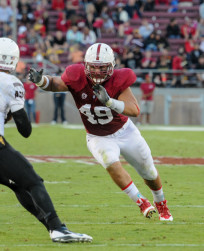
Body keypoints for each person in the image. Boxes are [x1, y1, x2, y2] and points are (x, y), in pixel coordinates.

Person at [0, 37, 93, 243]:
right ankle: (59, 228)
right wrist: (7, 113)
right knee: (34, 182)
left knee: (18, 186)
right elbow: (25, 130)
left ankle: (54, 230)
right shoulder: (11, 82)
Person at [28, 43, 173, 221]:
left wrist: (110, 102)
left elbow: (134, 110)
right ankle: (140, 200)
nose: (97, 72)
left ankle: (161, 202)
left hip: (125, 131)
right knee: (110, 162)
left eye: (102, 68)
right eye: (94, 67)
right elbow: (55, 84)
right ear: (86, 66)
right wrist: (41, 81)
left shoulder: (119, 79)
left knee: (149, 172)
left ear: (111, 66)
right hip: (98, 136)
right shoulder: (76, 75)